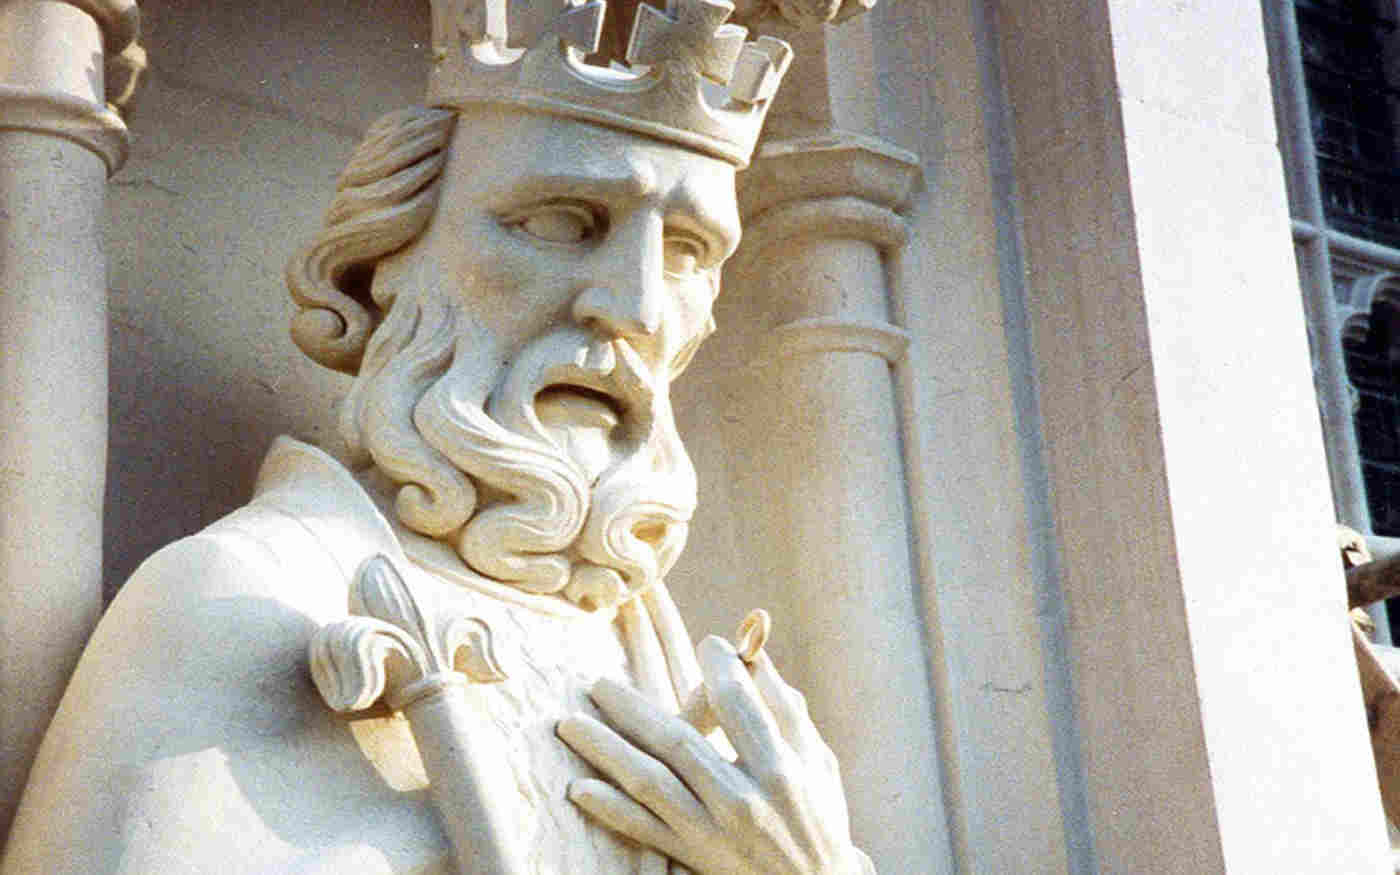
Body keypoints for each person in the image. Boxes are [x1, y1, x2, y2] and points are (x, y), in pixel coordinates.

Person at [3, 3, 874, 872]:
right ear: (390, 259)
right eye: (563, 222)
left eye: (687, 251)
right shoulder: (247, 603)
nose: (637, 306)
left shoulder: (677, 684)